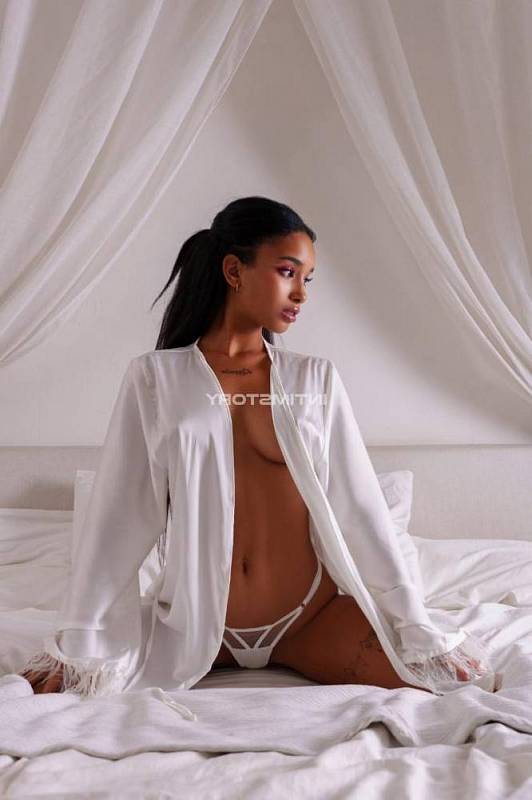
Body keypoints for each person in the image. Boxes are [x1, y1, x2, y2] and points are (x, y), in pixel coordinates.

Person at [19, 196, 496, 700]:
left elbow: (359, 509)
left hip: (311, 620)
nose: (301, 293)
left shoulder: (314, 380)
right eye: (287, 272)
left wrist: (413, 620)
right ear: (234, 271)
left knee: (452, 686)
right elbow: (121, 515)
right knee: (69, 693)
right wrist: (80, 636)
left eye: (307, 278)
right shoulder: (155, 378)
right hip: (192, 630)